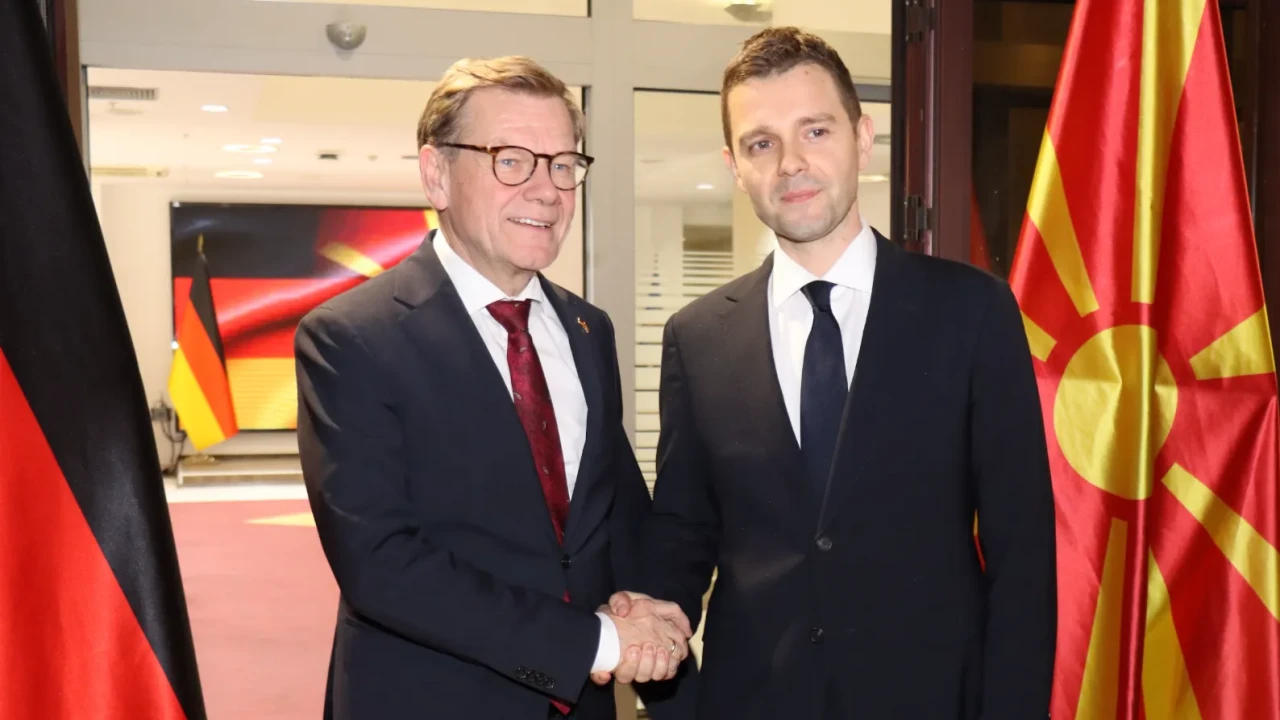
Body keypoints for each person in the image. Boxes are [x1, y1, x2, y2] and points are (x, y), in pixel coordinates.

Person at [626, 27, 1057, 719]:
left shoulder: (971, 311)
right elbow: (684, 530)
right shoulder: (697, 337)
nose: (790, 163)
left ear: (862, 137)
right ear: (734, 166)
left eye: (816, 131)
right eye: (761, 143)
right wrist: (668, 679)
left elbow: (1023, 551)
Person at [295, 56, 693, 720]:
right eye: (512, 161)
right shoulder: (352, 338)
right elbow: (382, 565)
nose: (547, 191)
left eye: (563, 164)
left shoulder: (588, 329)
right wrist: (595, 643)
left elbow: (615, 512)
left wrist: (648, 610)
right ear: (436, 175)